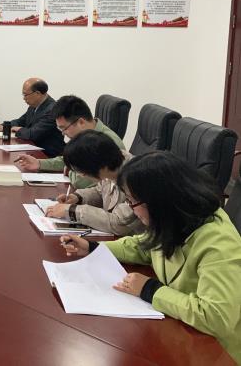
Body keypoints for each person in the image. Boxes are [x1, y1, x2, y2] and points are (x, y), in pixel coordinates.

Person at [61, 151, 241, 363]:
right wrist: (94, 247)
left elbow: (216, 317)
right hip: (177, 329)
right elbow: (144, 246)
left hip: (215, 351)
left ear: (159, 200)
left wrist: (149, 289)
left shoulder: (218, 244)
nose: (132, 210)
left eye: (133, 202)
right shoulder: (174, 218)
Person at [44, 130, 144, 235]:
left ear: (99, 165)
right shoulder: (112, 164)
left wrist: (73, 211)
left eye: (81, 171)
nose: (81, 175)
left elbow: (119, 223)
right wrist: (78, 198)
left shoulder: (135, 179)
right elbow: (100, 192)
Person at [15, 95, 125, 189]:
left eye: (64, 128)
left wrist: (70, 169)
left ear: (81, 122)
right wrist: (39, 163)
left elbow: (80, 182)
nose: (63, 133)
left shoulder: (106, 143)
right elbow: (69, 160)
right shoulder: (85, 138)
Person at [0, 78, 64, 156]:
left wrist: (18, 129)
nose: (24, 98)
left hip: (48, 154)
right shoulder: (34, 105)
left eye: (25, 95)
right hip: (33, 150)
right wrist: (3, 126)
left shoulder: (52, 109)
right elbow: (20, 121)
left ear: (37, 93)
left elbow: (32, 134)